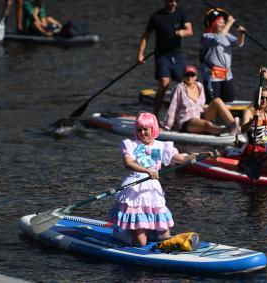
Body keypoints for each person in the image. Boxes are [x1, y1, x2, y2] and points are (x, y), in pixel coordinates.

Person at [108, 112, 198, 247]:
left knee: (164, 236)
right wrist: (147, 171)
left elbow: (181, 158)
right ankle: (120, 233)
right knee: (140, 243)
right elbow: (128, 163)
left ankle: (148, 232)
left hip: (153, 191)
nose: (142, 133)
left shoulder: (162, 146)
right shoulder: (130, 145)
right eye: (139, 129)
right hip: (135, 190)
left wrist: (199, 156)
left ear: (153, 128)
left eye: (146, 129)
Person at [137, 0, 193, 120]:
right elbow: (145, 36)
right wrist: (141, 54)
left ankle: (184, 115)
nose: (172, 3)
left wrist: (183, 32)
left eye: (175, 1)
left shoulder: (181, 13)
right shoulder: (156, 17)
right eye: (169, 0)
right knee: (164, 83)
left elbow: (190, 30)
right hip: (162, 55)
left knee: (184, 84)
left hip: (177, 54)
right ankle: (155, 117)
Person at [163, 65, 239, 135]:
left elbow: (201, 106)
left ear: (196, 76)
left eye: (192, 75)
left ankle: (235, 126)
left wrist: (211, 110)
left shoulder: (199, 86)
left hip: (200, 117)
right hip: (186, 121)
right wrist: (167, 126)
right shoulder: (179, 88)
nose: (190, 77)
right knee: (207, 124)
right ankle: (228, 130)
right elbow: (173, 108)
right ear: (183, 76)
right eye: (187, 75)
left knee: (217, 101)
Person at [200, 8, 246, 103]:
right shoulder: (206, 36)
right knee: (214, 102)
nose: (223, 24)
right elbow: (218, 40)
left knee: (229, 100)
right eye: (220, 22)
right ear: (213, 23)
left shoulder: (226, 35)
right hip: (212, 74)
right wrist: (229, 23)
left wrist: (241, 35)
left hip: (227, 74)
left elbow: (238, 43)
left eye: (224, 22)